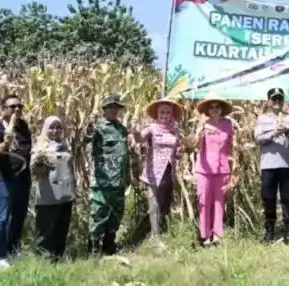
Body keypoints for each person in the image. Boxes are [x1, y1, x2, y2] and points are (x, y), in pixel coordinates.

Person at [0, 94, 32, 268]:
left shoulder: (24, 128)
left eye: (20, 106)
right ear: (3, 109)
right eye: (12, 107)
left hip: (22, 180)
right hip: (3, 180)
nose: (17, 109)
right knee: (2, 218)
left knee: (18, 217)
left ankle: (13, 250)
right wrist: (8, 132)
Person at [85, 93, 131, 256]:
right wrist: (90, 122)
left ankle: (109, 245)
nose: (114, 110)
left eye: (116, 107)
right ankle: (93, 248)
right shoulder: (97, 128)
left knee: (116, 214)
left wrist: (128, 175)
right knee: (99, 214)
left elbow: (126, 155)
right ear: (104, 109)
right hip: (103, 182)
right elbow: (86, 138)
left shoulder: (122, 129)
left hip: (118, 180)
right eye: (110, 107)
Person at [253, 88, 289, 244]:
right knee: (269, 198)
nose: (277, 102)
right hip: (269, 165)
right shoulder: (262, 119)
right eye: (274, 99)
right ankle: (269, 232)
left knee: (288, 198)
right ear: (268, 102)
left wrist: (286, 130)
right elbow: (257, 138)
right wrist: (272, 133)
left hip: (287, 165)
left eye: (280, 99)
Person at [134, 98, 184, 242]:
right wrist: (136, 133)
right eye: (162, 112)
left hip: (169, 171)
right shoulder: (151, 128)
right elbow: (140, 139)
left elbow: (180, 148)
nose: (165, 115)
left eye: (168, 112)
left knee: (165, 203)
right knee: (153, 202)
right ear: (157, 114)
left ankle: (162, 230)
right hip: (154, 171)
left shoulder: (176, 130)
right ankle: (155, 235)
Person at [30, 116, 75, 262]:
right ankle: (44, 260)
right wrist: (39, 163)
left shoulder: (65, 145)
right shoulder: (40, 148)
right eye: (51, 127)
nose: (55, 131)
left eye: (58, 127)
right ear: (45, 129)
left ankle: (57, 258)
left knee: (61, 229)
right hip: (48, 197)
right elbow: (35, 172)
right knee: (46, 230)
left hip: (65, 195)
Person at [194, 95, 235, 246]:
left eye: (217, 107)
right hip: (205, 169)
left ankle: (217, 234)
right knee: (204, 201)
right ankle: (205, 235)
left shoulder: (228, 125)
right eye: (211, 107)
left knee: (219, 202)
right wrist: (198, 134)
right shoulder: (203, 125)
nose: (215, 110)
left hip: (223, 169)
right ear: (207, 110)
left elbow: (232, 146)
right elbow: (197, 147)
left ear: (221, 109)